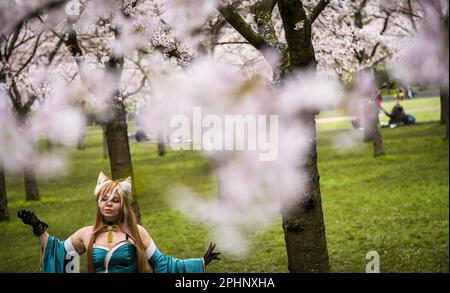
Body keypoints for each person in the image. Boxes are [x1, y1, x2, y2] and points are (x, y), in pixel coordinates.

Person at [17, 172, 220, 273]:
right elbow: (58, 253)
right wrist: (38, 227)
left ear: (122, 205)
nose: (108, 204)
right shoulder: (87, 234)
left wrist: (200, 262)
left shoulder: (136, 232)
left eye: (115, 200)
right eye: (104, 199)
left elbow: (162, 264)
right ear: (98, 202)